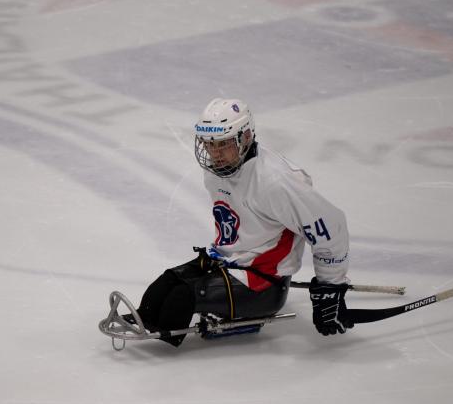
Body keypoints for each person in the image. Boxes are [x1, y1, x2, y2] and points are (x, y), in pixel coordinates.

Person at [136, 98, 353, 346]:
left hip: (262, 282)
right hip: (228, 263)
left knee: (180, 298)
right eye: (208, 144)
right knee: (162, 288)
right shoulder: (219, 169)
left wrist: (330, 289)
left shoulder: (275, 182)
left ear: (246, 136)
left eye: (223, 144)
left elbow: (331, 228)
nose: (213, 153)